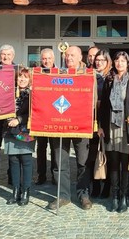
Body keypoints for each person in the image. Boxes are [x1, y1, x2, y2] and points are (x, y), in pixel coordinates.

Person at [47, 45, 93, 210]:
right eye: (67, 56)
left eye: (72, 55)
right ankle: (63, 195)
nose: (69, 58)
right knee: (61, 162)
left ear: (81, 57)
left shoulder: (88, 75)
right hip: (60, 124)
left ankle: (84, 195)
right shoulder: (59, 74)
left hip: (81, 125)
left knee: (82, 163)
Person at [98, 52, 129, 213]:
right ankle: (115, 196)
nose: (119, 63)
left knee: (126, 164)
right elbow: (103, 106)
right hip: (111, 126)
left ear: (127, 63)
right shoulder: (109, 80)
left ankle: (124, 196)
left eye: (123, 61)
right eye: (117, 60)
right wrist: (101, 125)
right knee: (114, 163)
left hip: (126, 127)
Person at [5, 67, 35, 206]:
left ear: (29, 80)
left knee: (26, 160)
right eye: (20, 77)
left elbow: (34, 112)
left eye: (25, 77)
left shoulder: (33, 94)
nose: (22, 79)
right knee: (13, 161)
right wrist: (8, 119)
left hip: (25, 131)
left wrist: (19, 119)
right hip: (10, 130)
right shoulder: (8, 92)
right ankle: (15, 191)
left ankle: (25, 191)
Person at [0, 44, 16, 189]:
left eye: (8, 55)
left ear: (13, 56)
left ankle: (12, 177)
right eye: (3, 55)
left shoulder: (18, 70)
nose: (5, 57)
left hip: (12, 115)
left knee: (12, 148)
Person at [89, 49, 112, 198]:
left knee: (107, 154)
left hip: (106, 120)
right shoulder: (89, 76)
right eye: (97, 59)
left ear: (108, 62)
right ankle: (95, 185)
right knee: (92, 155)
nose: (99, 62)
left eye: (102, 60)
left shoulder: (112, 78)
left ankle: (107, 186)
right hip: (91, 120)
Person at [35, 48, 57, 185]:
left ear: (53, 59)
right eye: (44, 58)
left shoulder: (60, 73)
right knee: (41, 148)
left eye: (49, 58)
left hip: (55, 115)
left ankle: (55, 175)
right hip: (41, 116)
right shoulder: (36, 73)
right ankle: (41, 175)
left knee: (55, 149)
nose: (46, 61)